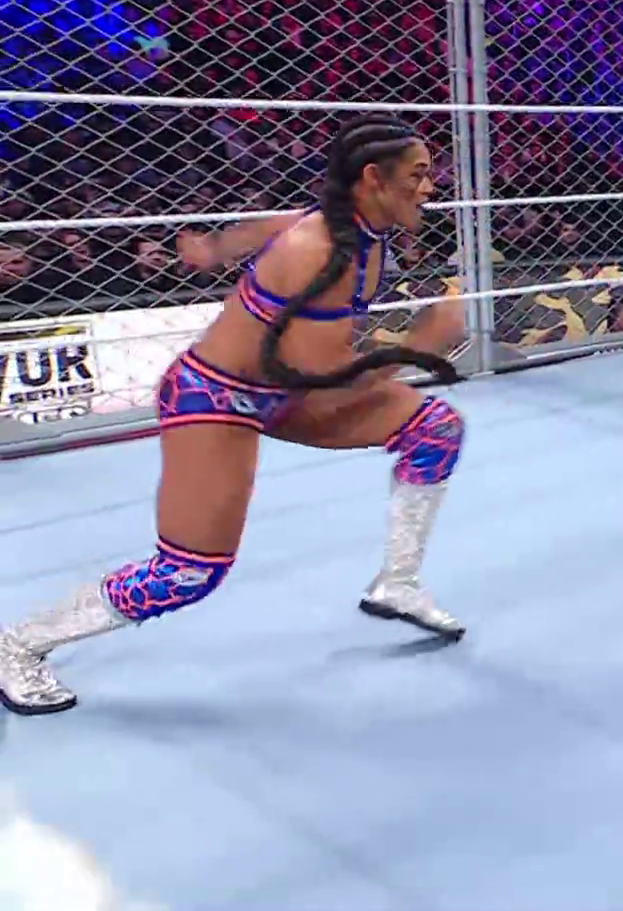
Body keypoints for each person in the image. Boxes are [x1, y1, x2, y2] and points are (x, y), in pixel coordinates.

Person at [0, 116, 471, 717]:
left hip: (284, 390)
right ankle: (18, 644)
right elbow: (326, 388)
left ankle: (397, 583)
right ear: (374, 178)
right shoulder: (317, 250)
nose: (431, 187)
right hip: (216, 399)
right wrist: (421, 346)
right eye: (419, 175)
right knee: (188, 572)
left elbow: (265, 230)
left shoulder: (356, 229)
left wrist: (214, 250)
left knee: (435, 429)